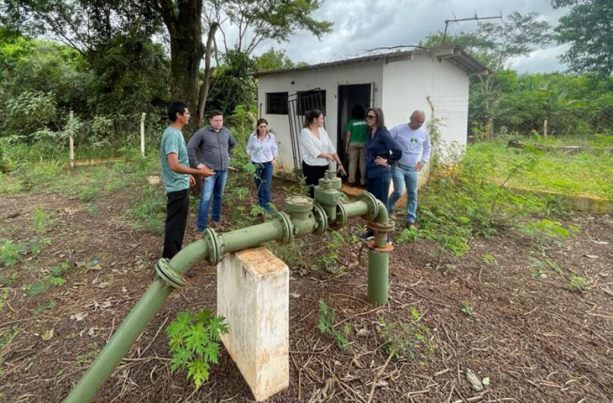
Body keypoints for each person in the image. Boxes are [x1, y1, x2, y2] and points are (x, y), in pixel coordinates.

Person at [160, 101, 214, 259]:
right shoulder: (171, 135)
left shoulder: (177, 132)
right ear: (179, 115)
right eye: (187, 113)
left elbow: (180, 163)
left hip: (180, 184)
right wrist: (198, 171)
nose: (189, 115)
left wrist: (187, 174)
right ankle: (172, 261)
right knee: (175, 226)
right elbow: (173, 165)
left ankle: (173, 257)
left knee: (178, 225)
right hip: (176, 188)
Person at [187, 110, 236, 232]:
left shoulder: (226, 132)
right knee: (205, 198)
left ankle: (216, 220)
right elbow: (190, 147)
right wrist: (198, 164)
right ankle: (201, 227)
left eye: (221, 120)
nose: (219, 123)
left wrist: (228, 154)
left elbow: (232, 144)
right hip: (209, 171)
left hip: (223, 170)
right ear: (210, 121)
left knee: (219, 196)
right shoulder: (203, 133)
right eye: (216, 120)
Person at [361, 107, 402, 240]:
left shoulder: (383, 133)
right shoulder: (370, 132)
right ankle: (372, 231)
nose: (368, 119)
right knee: (372, 203)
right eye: (367, 116)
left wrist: (388, 161)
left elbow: (397, 150)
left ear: (378, 118)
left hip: (381, 174)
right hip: (371, 173)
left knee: (381, 204)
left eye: (371, 117)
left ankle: (386, 235)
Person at [388, 110, 432, 229]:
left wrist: (423, 161)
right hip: (398, 166)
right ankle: (389, 208)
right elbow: (385, 141)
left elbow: (428, 147)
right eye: (418, 121)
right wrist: (391, 158)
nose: (420, 124)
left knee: (413, 194)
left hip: (412, 169)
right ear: (411, 118)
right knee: (399, 191)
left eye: (422, 122)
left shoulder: (423, 133)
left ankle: (410, 220)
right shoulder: (398, 129)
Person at [299, 109, 346, 198]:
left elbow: (331, 147)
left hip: (324, 166)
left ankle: (322, 210)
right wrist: (327, 155)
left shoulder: (322, 130)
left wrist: (339, 163)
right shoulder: (305, 132)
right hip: (311, 167)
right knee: (312, 192)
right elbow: (313, 151)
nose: (323, 120)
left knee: (324, 190)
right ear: (314, 120)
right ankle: (312, 210)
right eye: (321, 118)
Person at [246, 118, 278, 212]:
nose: (263, 128)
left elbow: (275, 149)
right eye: (261, 126)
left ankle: (267, 209)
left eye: (265, 126)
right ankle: (260, 206)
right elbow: (248, 148)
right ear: (257, 127)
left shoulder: (271, 137)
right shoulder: (253, 137)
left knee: (266, 186)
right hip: (256, 164)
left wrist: (274, 158)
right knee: (259, 186)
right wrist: (251, 156)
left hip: (268, 164)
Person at [345, 105, 368, 186]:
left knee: (352, 162)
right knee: (363, 162)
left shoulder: (351, 122)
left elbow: (348, 135)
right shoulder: (366, 122)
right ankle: (363, 181)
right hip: (364, 143)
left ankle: (351, 180)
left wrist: (346, 146)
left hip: (353, 143)